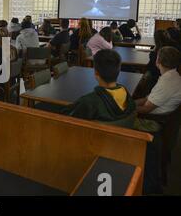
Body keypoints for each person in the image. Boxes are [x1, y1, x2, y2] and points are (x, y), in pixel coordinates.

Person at [134, 47, 181, 195]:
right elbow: (148, 99)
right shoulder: (173, 77)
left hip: (154, 122)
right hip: (162, 119)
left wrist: (126, 109)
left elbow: (147, 109)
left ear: (158, 61)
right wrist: (130, 103)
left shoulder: (167, 82)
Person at [62, 49, 136, 123]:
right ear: (118, 71)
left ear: (96, 73)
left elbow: (68, 117)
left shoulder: (89, 102)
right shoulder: (126, 93)